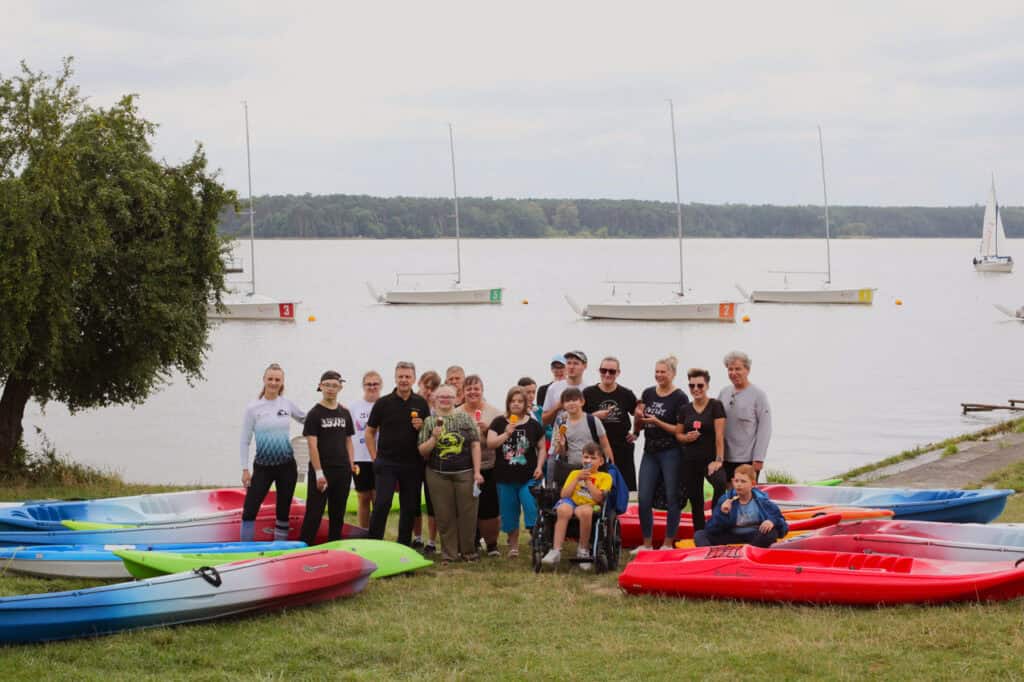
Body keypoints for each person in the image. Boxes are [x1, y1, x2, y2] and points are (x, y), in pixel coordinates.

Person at [365, 361, 431, 546]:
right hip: (386, 463)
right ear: (395, 378)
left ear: (413, 379)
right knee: (382, 504)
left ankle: (403, 546)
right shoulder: (383, 403)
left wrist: (422, 427)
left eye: (407, 377)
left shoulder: (420, 403)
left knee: (409, 507)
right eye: (400, 376)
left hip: (412, 464)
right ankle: (374, 543)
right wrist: (374, 457)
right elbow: (369, 432)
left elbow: (428, 433)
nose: (404, 380)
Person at [238, 363, 307, 541]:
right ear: (264, 380)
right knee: (250, 509)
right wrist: (244, 469)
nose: (273, 383)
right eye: (270, 379)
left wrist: (330, 409)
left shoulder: (287, 404)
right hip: (263, 467)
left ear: (282, 382)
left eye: (277, 379)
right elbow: (245, 440)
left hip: (287, 467)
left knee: (283, 511)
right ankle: (245, 548)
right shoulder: (253, 408)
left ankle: (279, 547)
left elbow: (307, 419)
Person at [418, 384, 483, 563]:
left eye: (449, 397)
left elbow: (475, 444)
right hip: (437, 474)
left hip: (465, 473)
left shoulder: (465, 419)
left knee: (468, 514)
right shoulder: (429, 422)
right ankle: (449, 554)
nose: (445, 400)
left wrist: (477, 472)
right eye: (441, 397)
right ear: (434, 400)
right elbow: (422, 451)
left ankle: (469, 552)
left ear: (456, 399)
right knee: (444, 515)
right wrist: (434, 438)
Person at [633, 355, 688, 552]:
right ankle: (646, 543)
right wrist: (636, 429)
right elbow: (640, 418)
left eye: (663, 372)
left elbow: (679, 430)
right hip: (650, 451)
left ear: (672, 374)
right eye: (657, 371)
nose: (659, 375)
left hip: (671, 452)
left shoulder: (680, 397)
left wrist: (657, 422)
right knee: (644, 498)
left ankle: (667, 543)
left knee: (673, 497)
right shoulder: (648, 393)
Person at [298, 371, 357, 545]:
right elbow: (312, 445)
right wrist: (318, 473)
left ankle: (334, 549)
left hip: (342, 471)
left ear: (340, 387)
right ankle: (304, 548)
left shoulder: (344, 413)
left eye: (334, 385)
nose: (331, 389)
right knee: (314, 514)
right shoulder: (314, 414)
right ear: (320, 386)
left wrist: (351, 464)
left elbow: (348, 441)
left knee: (337, 514)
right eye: (327, 385)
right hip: (322, 471)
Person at [487, 386, 545, 557]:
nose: (516, 404)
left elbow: (542, 448)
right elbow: (491, 443)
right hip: (504, 477)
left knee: (530, 505)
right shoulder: (499, 422)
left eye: (520, 401)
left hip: (528, 476)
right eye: (513, 401)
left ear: (525, 403)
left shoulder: (534, 424)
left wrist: (540, 466)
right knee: (509, 512)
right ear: (508, 403)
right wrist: (506, 434)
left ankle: (536, 539)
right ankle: (513, 546)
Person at [541, 443, 612, 571]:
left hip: (589, 504)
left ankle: (583, 549)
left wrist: (588, 481)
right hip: (571, 501)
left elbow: (599, 498)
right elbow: (563, 494)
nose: (588, 460)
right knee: (563, 509)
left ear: (601, 461)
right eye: (585, 457)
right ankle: (556, 550)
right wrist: (577, 479)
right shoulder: (575, 473)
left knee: (585, 512)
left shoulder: (605, 477)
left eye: (592, 458)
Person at [675, 368, 727, 533]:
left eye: (700, 385)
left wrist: (718, 460)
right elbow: (678, 434)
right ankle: (700, 535)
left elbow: (720, 436)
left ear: (707, 385)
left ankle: (715, 524)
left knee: (720, 483)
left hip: (710, 459)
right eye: (692, 386)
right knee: (696, 499)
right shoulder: (685, 409)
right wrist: (686, 438)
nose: (696, 389)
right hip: (690, 460)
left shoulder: (715, 406)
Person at [694, 464, 787, 547]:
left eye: (743, 481)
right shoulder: (725, 499)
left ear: (753, 484)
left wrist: (771, 522)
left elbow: (782, 525)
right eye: (736, 481)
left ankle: (750, 551)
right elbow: (711, 529)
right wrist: (723, 513)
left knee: (770, 533)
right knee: (700, 534)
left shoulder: (762, 501)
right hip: (732, 535)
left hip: (755, 536)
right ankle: (711, 558)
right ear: (732, 481)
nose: (738, 485)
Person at [461, 374, 502, 556]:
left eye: (476, 388)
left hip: (490, 465)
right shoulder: (456, 413)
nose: (472, 392)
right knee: (468, 508)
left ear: (482, 390)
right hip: (464, 467)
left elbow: (501, 441)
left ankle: (492, 544)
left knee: (489, 509)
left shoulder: (495, 413)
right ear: (463, 392)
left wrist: (487, 430)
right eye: (468, 389)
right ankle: (474, 541)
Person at [584, 356, 639, 491]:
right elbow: (579, 419)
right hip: (597, 449)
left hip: (622, 446)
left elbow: (638, 413)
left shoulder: (626, 393)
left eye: (612, 371)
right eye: (604, 370)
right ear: (599, 371)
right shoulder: (588, 393)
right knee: (598, 486)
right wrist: (596, 415)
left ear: (618, 373)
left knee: (625, 487)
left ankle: (625, 511)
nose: (607, 374)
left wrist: (636, 433)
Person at [718, 351, 772, 483]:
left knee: (745, 496)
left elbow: (765, 428)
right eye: (730, 369)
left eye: (738, 369)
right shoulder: (724, 392)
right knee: (729, 495)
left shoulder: (758, 395)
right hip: (725, 457)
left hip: (747, 459)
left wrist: (758, 458)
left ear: (747, 370)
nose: (733, 373)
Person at [551, 387, 615, 487]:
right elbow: (561, 454)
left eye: (575, 400)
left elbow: (605, 446)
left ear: (582, 402)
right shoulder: (560, 423)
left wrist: (612, 467)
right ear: (563, 405)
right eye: (567, 401)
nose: (571, 403)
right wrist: (561, 445)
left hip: (594, 471)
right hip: (571, 470)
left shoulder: (593, 420)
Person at [413, 370, 442, 553]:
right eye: (426, 386)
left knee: (433, 502)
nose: (428, 391)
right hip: (414, 459)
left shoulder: (439, 406)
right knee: (413, 499)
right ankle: (417, 537)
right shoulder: (413, 403)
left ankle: (432, 541)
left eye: (433, 388)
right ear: (420, 385)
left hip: (433, 459)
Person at [349, 370, 382, 529]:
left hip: (380, 457)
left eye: (375, 384)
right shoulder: (354, 407)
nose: (372, 387)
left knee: (378, 497)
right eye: (369, 384)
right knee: (363, 497)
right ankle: (363, 531)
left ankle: (376, 533)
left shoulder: (385, 404)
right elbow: (347, 435)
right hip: (360, 458)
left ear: (380, 385)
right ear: (363, 386)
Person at [541, 350, 587, 427]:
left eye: (576, 363)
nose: (571, 367)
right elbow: (544, 421)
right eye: (568, 363)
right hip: (559, 436)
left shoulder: (588, 390)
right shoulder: (553, 388)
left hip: (581, 436)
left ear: (585, 366)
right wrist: (557, 407)